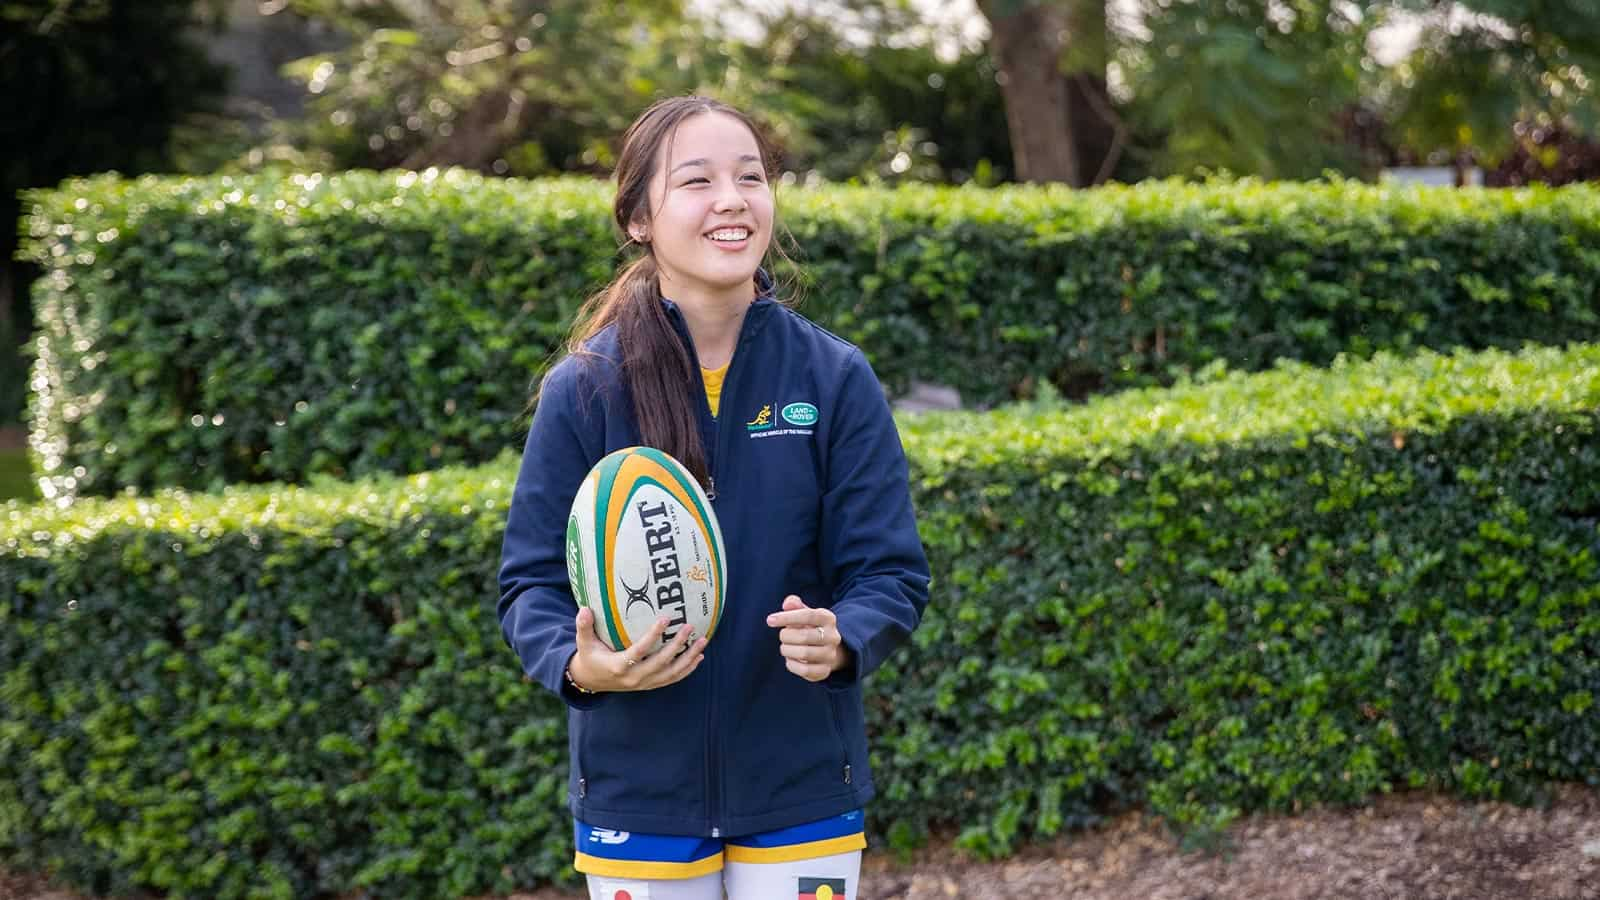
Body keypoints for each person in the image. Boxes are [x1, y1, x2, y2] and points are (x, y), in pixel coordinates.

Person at [497, 95, 931, 900]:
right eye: (697, 181)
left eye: (751, 176)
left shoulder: (832, 379)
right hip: (639, 792)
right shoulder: (586, 390)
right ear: (638, 217)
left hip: (800, 782)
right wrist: (581, 665)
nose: (732, 199)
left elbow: (891, 573)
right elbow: (529, 586)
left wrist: (843, 637)